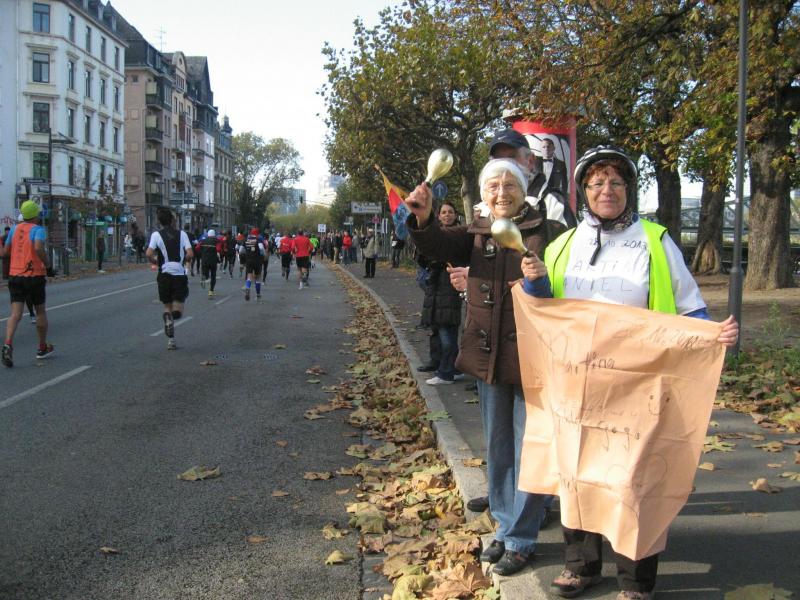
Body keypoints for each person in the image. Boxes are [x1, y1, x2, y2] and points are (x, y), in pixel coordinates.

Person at [520, 146, 739, 600]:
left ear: (628, 190)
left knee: (633, 480)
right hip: (575, 385)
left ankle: (635, 581)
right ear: (584, 191)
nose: (607, 190)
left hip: (639, 386)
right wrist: (534, 281)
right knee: (575, 472)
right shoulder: (563, 244)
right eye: (597, 182)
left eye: (616, 182)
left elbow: (688, 306)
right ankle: (580, 566)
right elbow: (546, 309)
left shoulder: (656, 241)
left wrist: (711, 334)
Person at [404, 158, 566, 576]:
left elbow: (569, 284)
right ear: (483, 194)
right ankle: (506, 526)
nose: (501, 192)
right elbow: (437, 244)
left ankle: (522, 537)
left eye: (510, 184)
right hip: (488, 355)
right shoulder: (476, 233)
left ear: (524, 190)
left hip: (534, 358)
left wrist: (541, 280)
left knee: (530, 449)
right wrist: (422, 217)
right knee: (497, 447)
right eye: (492, 185)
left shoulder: (549, 231)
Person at [0, 201, 56, 367]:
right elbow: (38, 248)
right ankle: (42, 347)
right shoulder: (38, 230)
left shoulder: (14, 229)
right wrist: (48, 265)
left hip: (15, 276)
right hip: (34, 276)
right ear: (36, 215)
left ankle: (7, 344)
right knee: (40, 311)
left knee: (15, 314)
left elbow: (5, 252)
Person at [488, 128, 576, 228]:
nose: (505, 164)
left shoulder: (553, 204)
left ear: (530, 161)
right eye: (498, 159)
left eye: (512, 157)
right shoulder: (482, 207)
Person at [416, 204, 463, 385]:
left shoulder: (460, 234)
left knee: (447, 332)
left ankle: (446, 372)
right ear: (439, 215)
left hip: (450, 286)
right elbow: (424, 259)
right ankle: (449, 366)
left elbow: (458, 258)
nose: (447, 215)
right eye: (444, 212)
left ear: (455, 215)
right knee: (437, 329)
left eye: (450, 212)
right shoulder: (434, 233)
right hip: (435, 287)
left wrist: (442, 259)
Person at [146, 207, 193, 350]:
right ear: (172, 220)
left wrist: (155, 262)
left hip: (164, 274)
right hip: (178, 274)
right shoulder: (182, 234)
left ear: (159, 221)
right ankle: (174, 315)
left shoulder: (156, 235)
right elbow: (190, 253)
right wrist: (184, 261)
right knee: (178, 306)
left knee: (167, 306)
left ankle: (170, 339)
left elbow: (148, 253)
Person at [243, 228, 265, 301]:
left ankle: (247, 288)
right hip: (257, 260)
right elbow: (261, 249)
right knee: (257, 277)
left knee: (249, 276)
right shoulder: (258, 240)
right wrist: (263, 255)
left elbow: (241, 250)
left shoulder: (246, 240)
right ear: (257, 234)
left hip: (249, 260)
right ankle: (258, 295)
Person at [199, 229, 220, 298]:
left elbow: (197, 248)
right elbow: (218, 249)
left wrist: (203, 251)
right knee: (213, 276)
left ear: (208, 235)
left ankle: (204, 277)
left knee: (205, 273)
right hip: (213, 260)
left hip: (204, 260)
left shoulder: (203, 241)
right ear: (214, 235)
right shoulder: (216, 241)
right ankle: (211, 291)